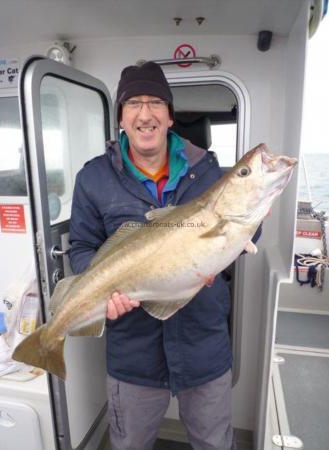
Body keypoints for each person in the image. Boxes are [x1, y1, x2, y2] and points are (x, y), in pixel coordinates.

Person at [69, 62, 261, 450]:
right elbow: (81, 249)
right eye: (134, 103)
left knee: (214, 444)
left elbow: (240, 232)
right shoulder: (92, 179)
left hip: (203, 345)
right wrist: (104, 293)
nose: (145, 113)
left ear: (170, 116)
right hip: (133, 355)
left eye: (156, 102)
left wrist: (254, 216)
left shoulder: (208, 172)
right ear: (120, 118)